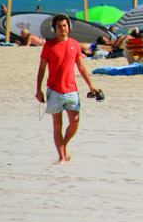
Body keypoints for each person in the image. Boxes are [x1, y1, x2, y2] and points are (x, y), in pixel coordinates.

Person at [35, 14, 100, 164]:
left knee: (75, 122)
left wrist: (91, 85)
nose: (62, 28)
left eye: (64, 25)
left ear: (68, 27)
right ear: (55, 28)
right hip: (54, 90)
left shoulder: (75, 44)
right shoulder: (49, 46)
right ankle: (62, 157)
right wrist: (38, 90)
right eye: (59, 26)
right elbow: (42, 69)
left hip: (71, 90)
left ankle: (64, 145)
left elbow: (82, 67)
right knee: (58, 125)